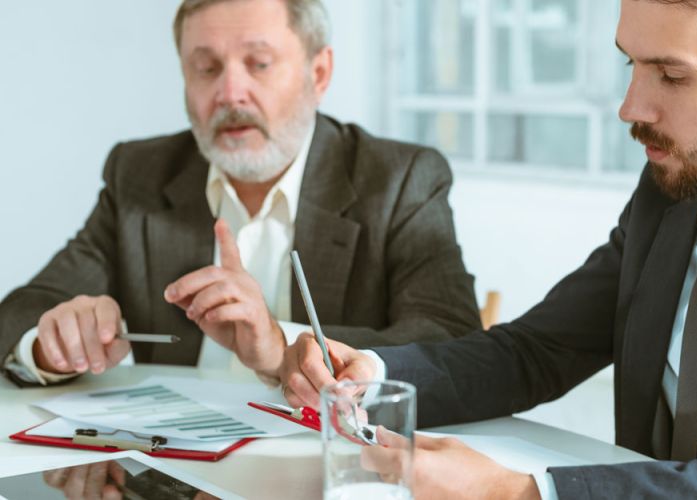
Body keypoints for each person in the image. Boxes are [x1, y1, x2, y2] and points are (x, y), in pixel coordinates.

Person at [277, 0, 697, 498]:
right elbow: (538, 350)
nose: (631, 106)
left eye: (670, 75)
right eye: (631, 65)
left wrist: (527, 492)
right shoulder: (672, 190)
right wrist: (370, 370)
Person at [0, 0, 480, 388]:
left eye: (260, 64)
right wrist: (51, 343)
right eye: (206, 68)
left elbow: (450, 341)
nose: (230, 93)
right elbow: (22, 312)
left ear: (319, 73)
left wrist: (280, 347)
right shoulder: (140, 173)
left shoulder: (399, 179)